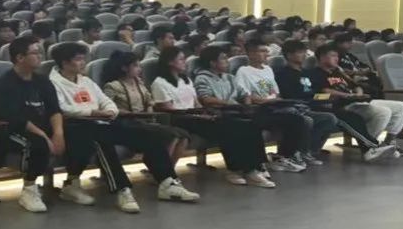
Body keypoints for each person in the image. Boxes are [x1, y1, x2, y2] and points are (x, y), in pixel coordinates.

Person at [49, 42, 197, 211]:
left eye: (84, 59)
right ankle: (122, 190)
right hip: (76, 126)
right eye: (78, 59)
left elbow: (106, 101)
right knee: (103, 143)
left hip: (102, 122)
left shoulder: (86, 81)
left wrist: (110, 111)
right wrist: (93, 112)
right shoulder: (53, 83)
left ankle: (167, 182)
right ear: (64, 62)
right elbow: (62, 109)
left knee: (148, 134)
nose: (83, 63)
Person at [151, 46, 277, 187]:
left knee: (247, 124)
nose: (184, 62)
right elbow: (168, 109)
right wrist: (197, 114)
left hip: (197, 116)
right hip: (181, 119)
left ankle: (255, 167)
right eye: (181, 59)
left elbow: (196, 103)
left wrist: (204, 112)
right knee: (229, 127)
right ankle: (238, 170)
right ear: (170, 62)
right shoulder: (160, 82)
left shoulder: (185, 80)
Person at [276, 40, 396, 162]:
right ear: (289, 55)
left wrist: (329, 97)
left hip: (318, 104)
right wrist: (322, 98)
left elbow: (314, 94)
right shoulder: (283, 74)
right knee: (342, 118)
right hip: (302, 106)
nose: (304, 55)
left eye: (304, 52)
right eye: (300, 52)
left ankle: (369, 148)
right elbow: (294, 96)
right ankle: (373, 147)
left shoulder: (305, 73)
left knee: (354, 117)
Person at [0, 37, 64, 213]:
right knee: (38, 143)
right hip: (13, 130)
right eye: (35, 53)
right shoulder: (5, 84)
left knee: (80, 131)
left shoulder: (43, 81)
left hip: (41, 127)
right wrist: (44, 136)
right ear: (20, 57)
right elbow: (16, 119)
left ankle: (72, 183)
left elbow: (54, 110)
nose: (40, 57)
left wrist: (58, 133)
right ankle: (29, 189)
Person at [232, 40, 330, 170]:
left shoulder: (268, 69)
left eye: (266, 51)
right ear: (251, 53)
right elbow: (245, 95)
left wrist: (276, 100)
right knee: (302, 119)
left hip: (277, 106)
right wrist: (267, 101)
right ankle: (287, 156)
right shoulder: (243, 71)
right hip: (262, 109)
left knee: (318, 118)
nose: (266, 54)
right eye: (262, 51)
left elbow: (276, 93)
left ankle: (294, 154)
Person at [310, 45, 403, 156]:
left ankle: (388, 143)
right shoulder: (315, 73)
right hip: (344, 104)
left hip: (358, 101)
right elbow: (324, 91)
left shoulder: (338, 72)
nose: (336, 59)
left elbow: (356, 86)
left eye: (337, 56)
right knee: (383, 112)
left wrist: (358, 93)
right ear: (322, 57)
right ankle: (370, 147)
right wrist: (348, 95)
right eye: (333, 56)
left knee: (402, 107)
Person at [101, 51, 189, 166]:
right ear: (124, 68)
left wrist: (149, 112)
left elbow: (149, 101)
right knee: (171, 135)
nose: (139, 69)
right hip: (126, 124)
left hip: (143, 121)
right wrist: (129, 113)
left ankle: (169, 168)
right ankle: (159, 167)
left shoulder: (139, 83)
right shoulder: (112, 86)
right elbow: (108, 108)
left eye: (139, 66)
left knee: (183, 135)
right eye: (135, 66)